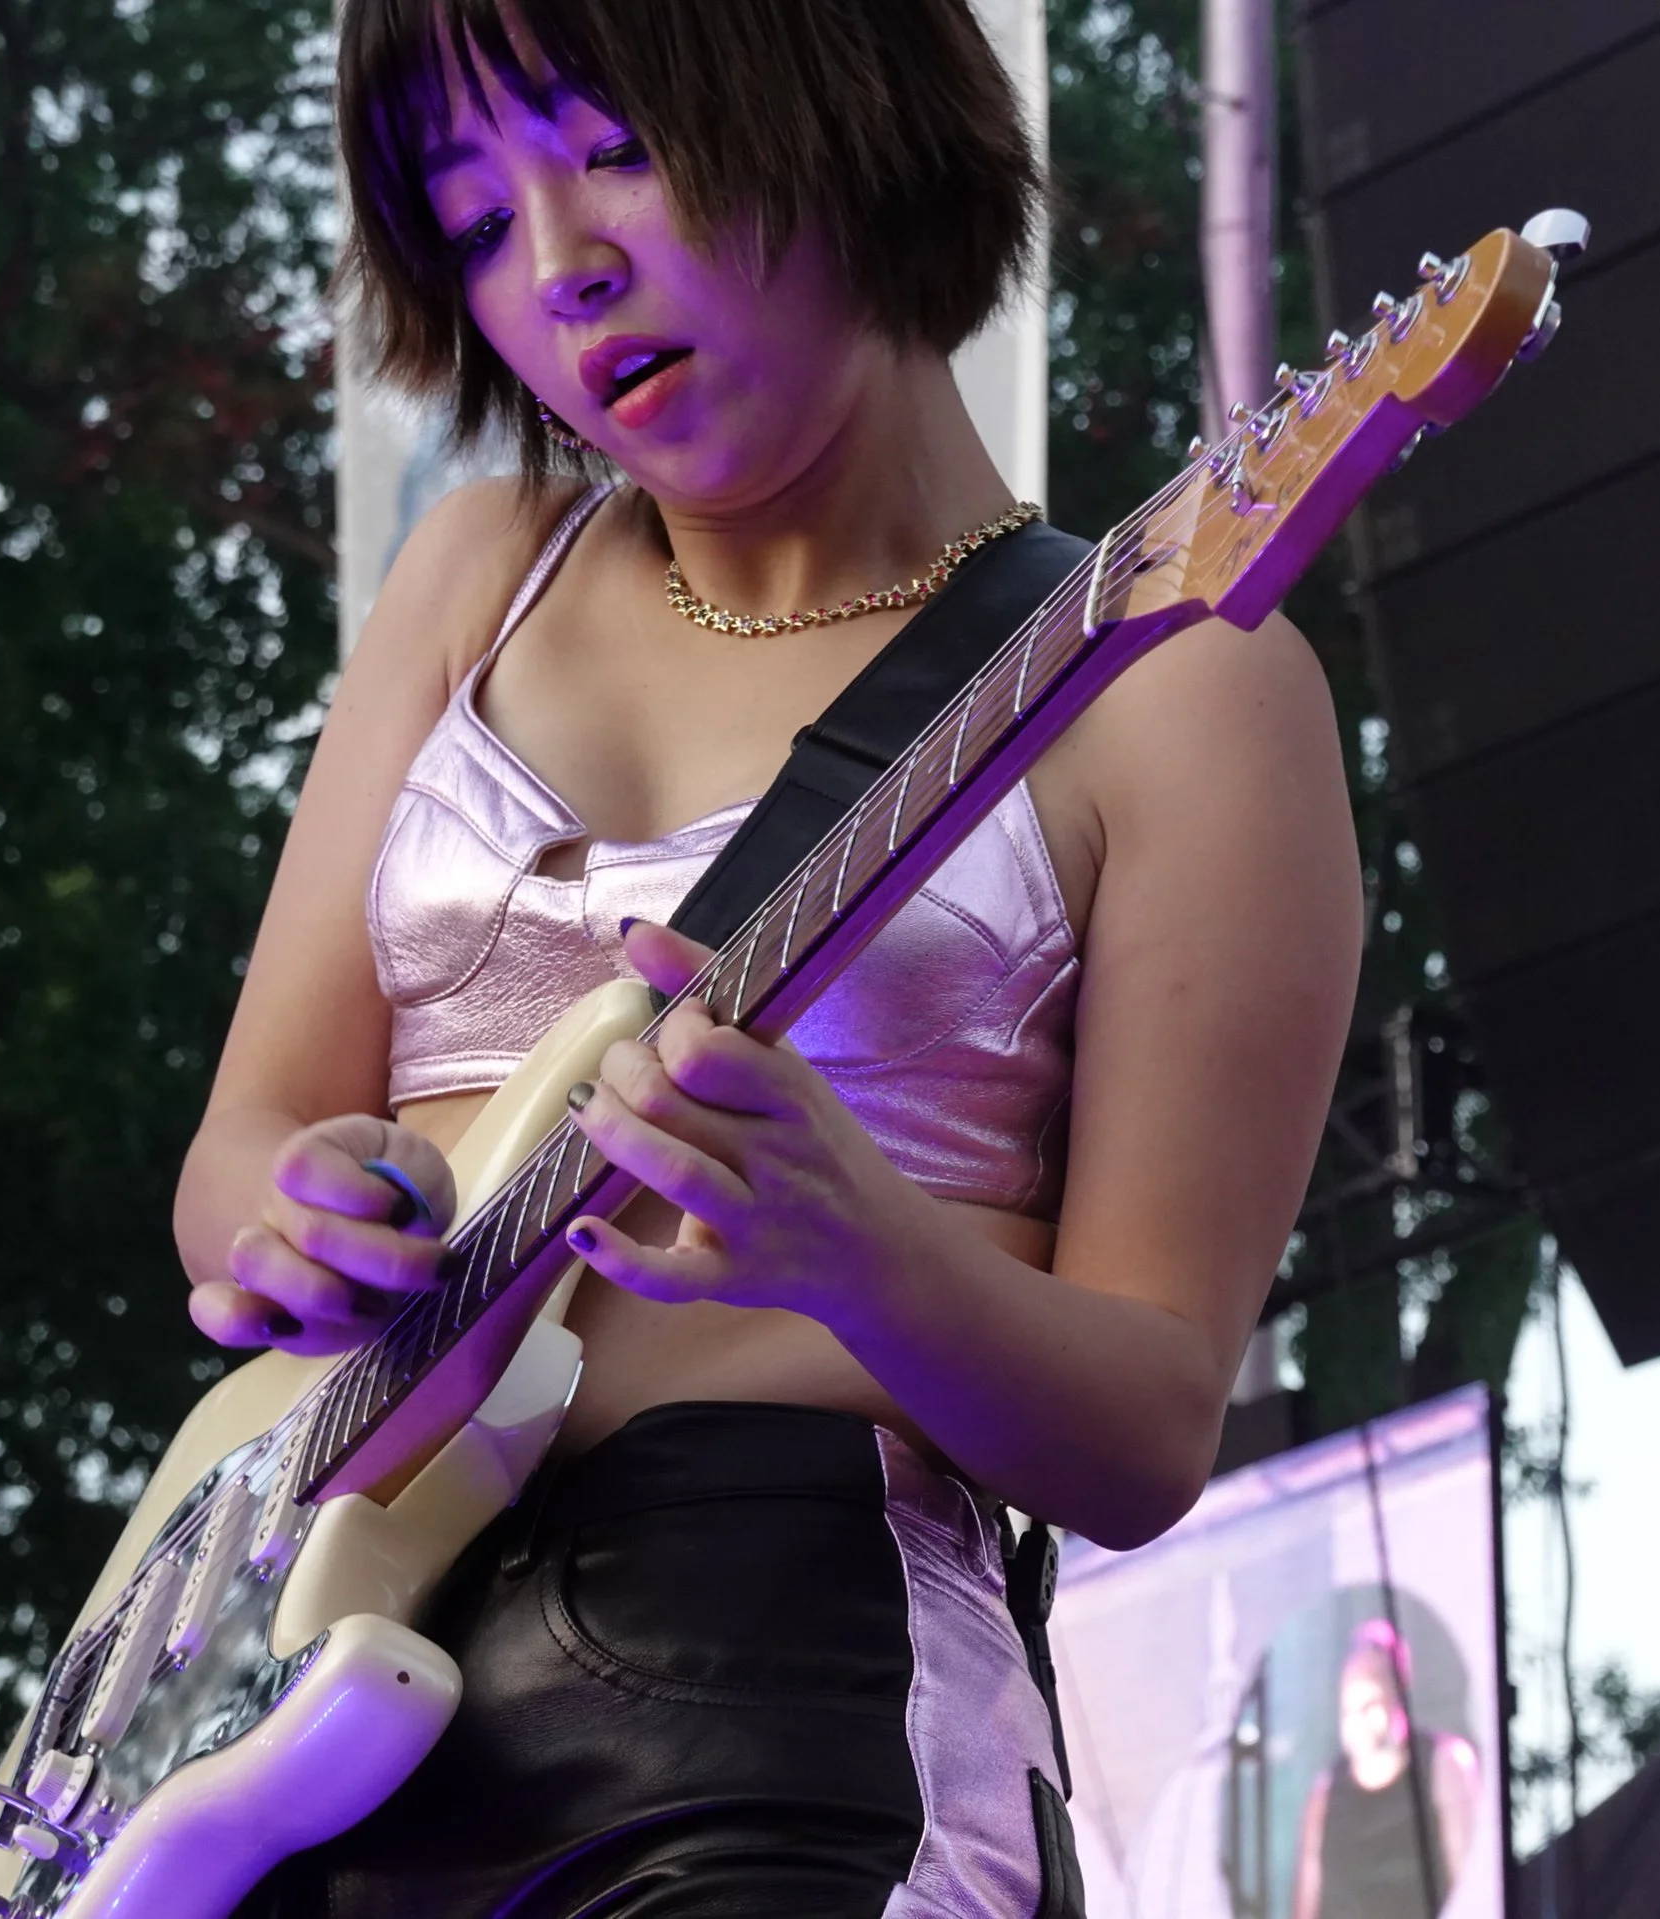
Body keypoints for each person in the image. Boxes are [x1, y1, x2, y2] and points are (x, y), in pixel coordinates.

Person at [172, 0, 1361, 1911]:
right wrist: (299, 1210)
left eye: (615, 144)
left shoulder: (1180, 686)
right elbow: (237, 1156)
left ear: (843, 98)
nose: (558, 270)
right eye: (471, 223)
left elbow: (1148, 1425)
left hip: (778, 1676)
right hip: (302, 1699)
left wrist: (861, 1254)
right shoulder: (477, 573)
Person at [1291, 1620, 1483, 1919]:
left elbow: (1471, 1890)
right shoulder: (1325, 1794)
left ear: (1399, 1695)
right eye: (1349, 1708)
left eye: (1371, 1703)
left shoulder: (1445, 1766)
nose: (1359, 1720)